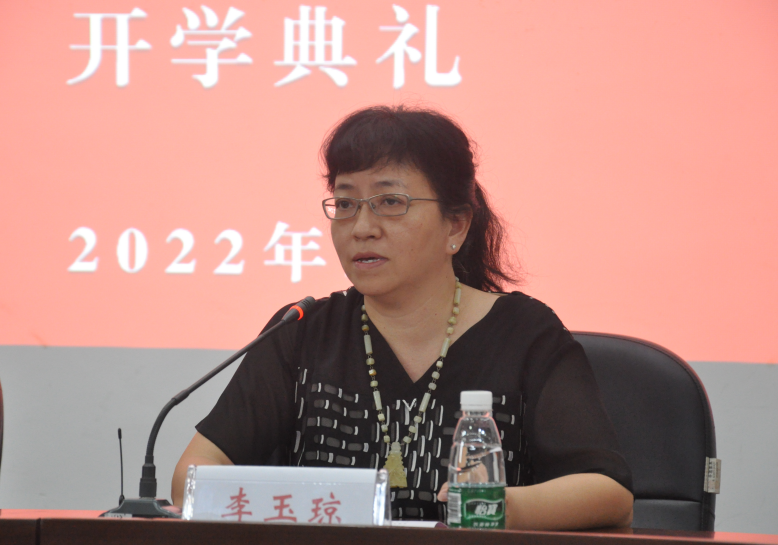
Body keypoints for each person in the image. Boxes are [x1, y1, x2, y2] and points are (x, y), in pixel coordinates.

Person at [172, 105, 634, 529]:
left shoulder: (525, 334)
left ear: (456, 225)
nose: (362, 227)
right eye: (345, 204)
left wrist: (501, 507)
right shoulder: (302, 333)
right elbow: (190, 479)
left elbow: (607, 491)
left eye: (390, 202)